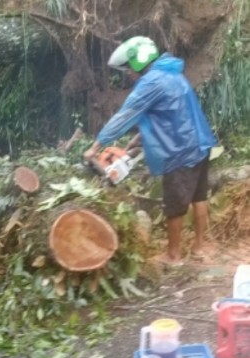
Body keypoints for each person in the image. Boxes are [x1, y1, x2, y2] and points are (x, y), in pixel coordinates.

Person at [83, 36, 217, 267]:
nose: (127, 74)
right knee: (199, 197)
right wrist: (135, 143)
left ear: (137, 63)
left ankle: (173, 256)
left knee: (175, 205)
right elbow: (168, 116)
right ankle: (199, 248)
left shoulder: (150, 83)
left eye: (127, 68)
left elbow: (124, 116)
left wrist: (94, 147)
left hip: (179, 150)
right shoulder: (172, 74)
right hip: (199, 143)